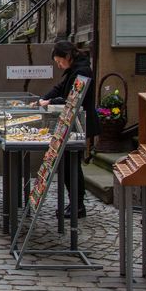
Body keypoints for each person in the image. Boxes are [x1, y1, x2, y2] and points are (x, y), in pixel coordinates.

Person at [39, 40, 101, 217]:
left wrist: (49, 102)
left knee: (72, 166)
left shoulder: (82, 71)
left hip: (79, 124)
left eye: (59, 61)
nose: (59, 65)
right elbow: (60, 88)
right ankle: (75, 203)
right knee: (67, 165)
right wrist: (45, 98)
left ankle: (77, 205)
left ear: (68, 56)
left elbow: (71, 99)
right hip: (73, 124)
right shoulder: (75, 69)